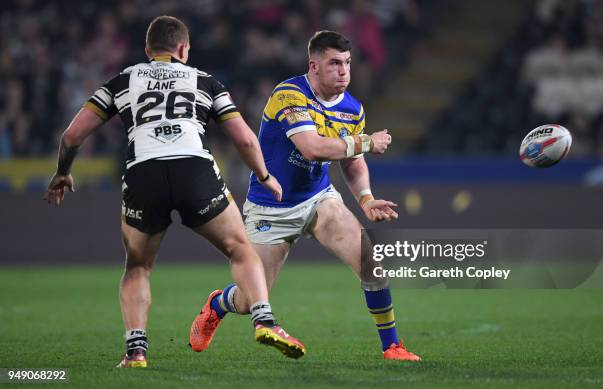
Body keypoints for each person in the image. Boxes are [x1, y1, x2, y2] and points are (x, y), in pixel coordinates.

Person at [44, 15, 305, 368]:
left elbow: (72, 136)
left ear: (148, 50)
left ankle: (136, 351)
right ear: (183, 49)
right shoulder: (205, 81)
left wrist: (62, 172)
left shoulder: (123, 81)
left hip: (143, 172)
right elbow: (243, 137)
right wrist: (264, 175)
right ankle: (264, 320)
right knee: (240, 248)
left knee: (138, 265)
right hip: (193, 167)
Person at [189, 30, 421, 361]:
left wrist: (366, 199)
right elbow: (311, 149)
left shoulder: (353, 109)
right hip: (271, 208)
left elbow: (352, 163)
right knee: (249, 299)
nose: (344, 71)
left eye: (348, 63)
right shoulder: (289, 94)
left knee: (371, 261)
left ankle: (392, 346)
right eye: (335, 63)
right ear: (313, 66)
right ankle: (217, 304)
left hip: (319, 201)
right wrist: (367, 141)